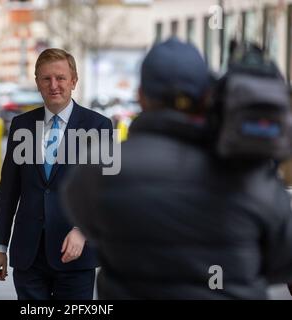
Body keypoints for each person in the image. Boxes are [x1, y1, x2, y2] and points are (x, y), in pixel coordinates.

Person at [62, 38, 292, 299]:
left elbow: (89, 225)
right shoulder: (249, 173)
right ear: (207, 94)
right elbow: (282, 262)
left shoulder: (100, 169)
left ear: (141, 96)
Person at [0, 48, 113, 300]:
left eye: (60, 78)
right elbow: (8, 192)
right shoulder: (21, 125)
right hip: (28, 255)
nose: (53, 85)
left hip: (76, 254)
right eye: (46, 79)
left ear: (74, 81)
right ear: (37, 83)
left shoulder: (99, 126)